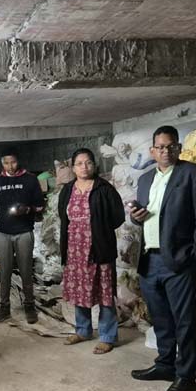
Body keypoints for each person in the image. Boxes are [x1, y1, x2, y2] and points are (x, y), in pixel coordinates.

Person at [128, 125, 196, 391]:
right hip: (149, 259)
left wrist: (195, 257)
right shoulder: (145, 179)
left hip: (179, 260)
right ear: (152, 151)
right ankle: (166, 364)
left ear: (179, 148)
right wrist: (135, 217)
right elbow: (142, 217)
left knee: (183, 321)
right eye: (160, 147)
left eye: (171, 146)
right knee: (161, 317)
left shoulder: (194, 174)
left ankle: (186, 376)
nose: (165, 151)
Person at [58, 148, 125, 354]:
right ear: (73, 167)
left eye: (88, 163)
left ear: (94, 165)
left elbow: (118, 216)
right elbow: (63, 215)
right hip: (74, 248)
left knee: (104, 292)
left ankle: (107, 336)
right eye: (79, 163)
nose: (84, 167)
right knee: (80, 290)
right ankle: (83, 330)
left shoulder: (104, 188)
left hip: (99, 247)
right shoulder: (68, 189)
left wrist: (99, 229)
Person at [0, 147, 44, 324]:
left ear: (18, 161)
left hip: (24, 232)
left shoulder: (30, 179)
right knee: (4, 272)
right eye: (6, 163)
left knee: (26, 271)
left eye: (13, 162)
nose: (10, 166)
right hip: (3, 233)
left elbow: (40, 205)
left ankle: (29, 306)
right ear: (2, 163)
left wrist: (27, 209)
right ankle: (4, 307)